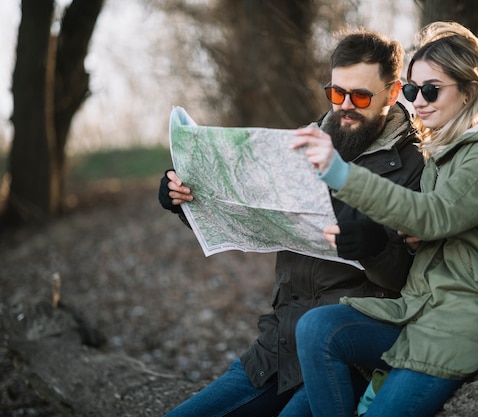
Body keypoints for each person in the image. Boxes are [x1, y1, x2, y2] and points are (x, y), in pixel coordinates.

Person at [158, 29, 425, 417]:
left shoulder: (415, 166)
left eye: (361, 96)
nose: (345, 106)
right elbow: (256, 217)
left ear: (393, 91)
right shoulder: (302, 144)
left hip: (349, 355)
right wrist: (188, 201)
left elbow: (414, 280)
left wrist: (376, 248)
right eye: (336, 93)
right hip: (278, 345)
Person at [292, 21, 478, 417]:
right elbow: (438, 223)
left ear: (469, 90)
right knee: (316, 329)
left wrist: (339, 172)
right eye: (412, 90)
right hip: (423, 312)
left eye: (431, 89)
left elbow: (436, 215)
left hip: (469, 323)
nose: (419, 101)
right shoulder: (443, 153)